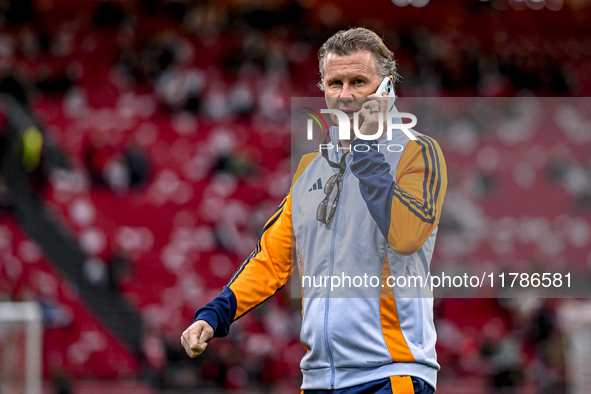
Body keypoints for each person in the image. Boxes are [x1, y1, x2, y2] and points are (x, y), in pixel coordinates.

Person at [181, 27, 447, 394]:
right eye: (334, 83)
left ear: (386, 89)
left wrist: (367, 151)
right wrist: (215, 315)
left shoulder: (418, 151)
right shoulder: (312, 168)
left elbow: (405, 236)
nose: (346, 95)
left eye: (359, 81)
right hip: (319, 379)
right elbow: (272, 258)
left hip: (391, 374)